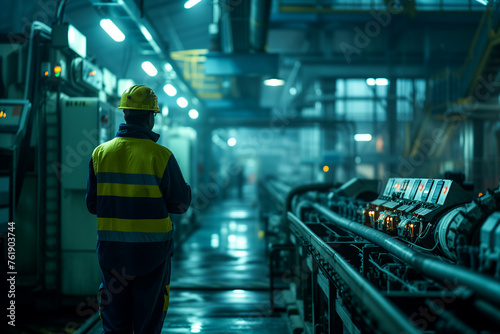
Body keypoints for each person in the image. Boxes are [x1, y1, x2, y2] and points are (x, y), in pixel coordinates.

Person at [85, 84, 192, 334]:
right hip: (151, 255)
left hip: (112, 254)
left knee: (115, 322)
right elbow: (181, 204)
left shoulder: (100, 153)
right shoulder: (161, 155)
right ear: (150, 117)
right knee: (148, 321)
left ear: (124, 114)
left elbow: (92, 205)